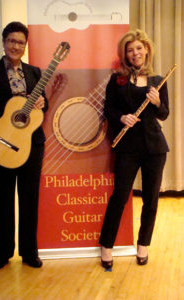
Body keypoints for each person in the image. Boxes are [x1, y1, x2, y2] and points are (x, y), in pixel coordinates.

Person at [0, 21, 48, 270]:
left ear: (26, 45)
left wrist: (41, 103)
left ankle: (29, 253)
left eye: (21, 42)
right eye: (11, 41)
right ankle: (2, 253)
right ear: (4, 42)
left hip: (31, 145)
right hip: (0, 142)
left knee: (30, 199)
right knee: (4, 199)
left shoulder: (35, 72)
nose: (16, 46)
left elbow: (41, 105)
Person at [99, 29, 169, 269]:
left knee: (151, 199)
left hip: (154, 148)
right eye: (130, 50)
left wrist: (158, 101)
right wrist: (122, 118)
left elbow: (164, 114)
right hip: (128, 147)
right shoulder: (116, 80)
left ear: (146, 50)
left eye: (139, 48)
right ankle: (106, 246)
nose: (135, 53)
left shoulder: (158, 81)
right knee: (120, 196)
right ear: (125, 55)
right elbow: (108, 110)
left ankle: (143, 245)